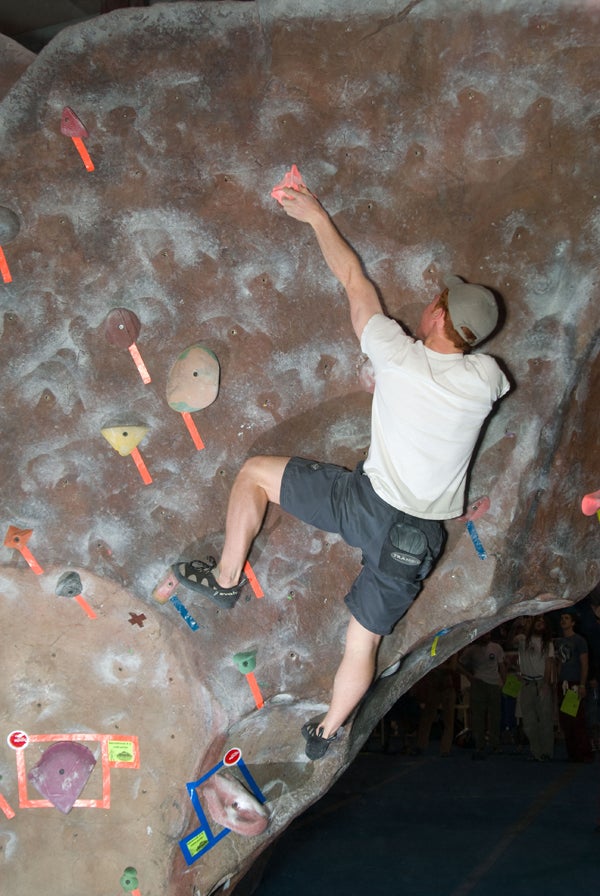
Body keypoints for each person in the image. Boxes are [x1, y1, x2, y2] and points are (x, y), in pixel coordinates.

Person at [173, 181, 510, 760]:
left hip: (365, 505)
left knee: (254, 473)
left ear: (436, 314)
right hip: (418, 539)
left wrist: (314, 216)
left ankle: (227, 579)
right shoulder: (488, 379)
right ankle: (325, 734)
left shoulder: (396, 354)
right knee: (363, 643)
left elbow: (354, 280)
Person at [458, 632, 507, 758]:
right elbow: (459, 664)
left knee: (495, 716)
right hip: (478, 683)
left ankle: (495, 744)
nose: (486, 636)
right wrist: (470, 677)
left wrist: (503, 682)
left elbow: (502, 666)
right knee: (478, 716)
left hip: (494, 684)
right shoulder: (471, 650)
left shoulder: (496, 647)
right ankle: (479, 745)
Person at [514, 615, 555, 761]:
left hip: (540, 682)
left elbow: (549, 664)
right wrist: (517, 625)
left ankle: (546, 752)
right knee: (528, 722)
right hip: (527, 683)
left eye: (543, 622)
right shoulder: (523, 639)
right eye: (538, 621)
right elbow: (511, 642)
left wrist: (546, 684)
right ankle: (536, 751)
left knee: (545, 719)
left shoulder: (548, 644)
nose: (540, 624)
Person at [556, 610, 593, 762]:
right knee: (566, 720)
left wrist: (582, 684)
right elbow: (560, 663)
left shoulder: (579, 641)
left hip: (574, 684)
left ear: (573, 623)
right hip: (563, 683)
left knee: (577, 719)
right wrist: (557, 680)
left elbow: (584, 663)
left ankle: (584, 753)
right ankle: (572, 752)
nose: (563, 620)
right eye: (561, 618)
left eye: (566, 618)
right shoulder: (559, 642)